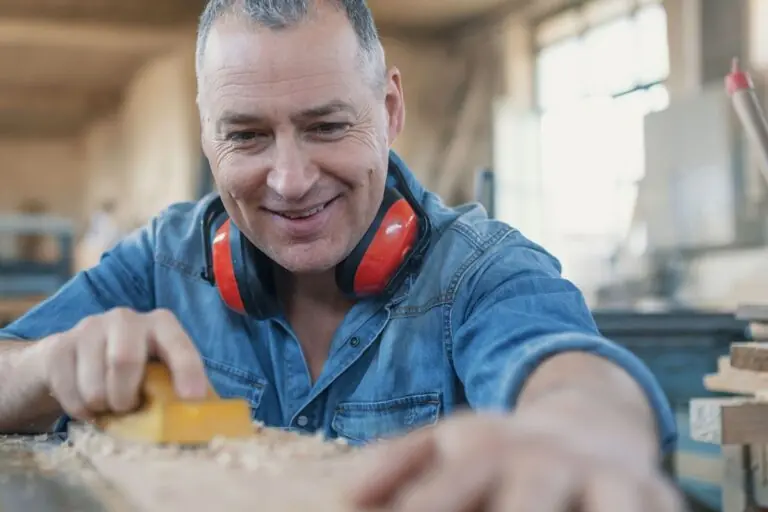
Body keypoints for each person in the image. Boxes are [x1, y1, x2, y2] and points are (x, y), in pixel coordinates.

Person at [0, 0, 683, 510]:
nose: (291, 180)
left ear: (388, 110)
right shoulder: (160, 262)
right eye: (246, 136)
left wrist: (580, 430)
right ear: (208, 137)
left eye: (327, 126)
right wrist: (45, 365)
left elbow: (569, 370)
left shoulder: (480, 271)